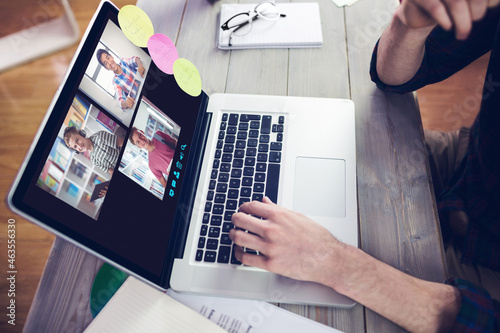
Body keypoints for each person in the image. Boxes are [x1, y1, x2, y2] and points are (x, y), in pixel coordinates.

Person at [229, 1, 500, 332]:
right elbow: (395, 76)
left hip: (486, 279)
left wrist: (334, 262)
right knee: (308, 146)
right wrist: (412, 23)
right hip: (469, 169)